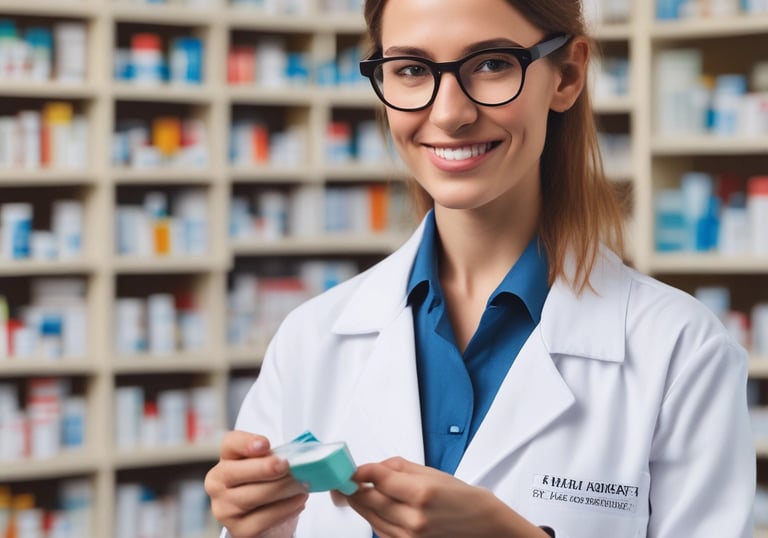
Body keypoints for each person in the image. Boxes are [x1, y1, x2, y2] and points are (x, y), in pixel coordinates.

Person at [204, 0, 756, 536]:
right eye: (412, 69)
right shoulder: (309, 340)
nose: (450, 114)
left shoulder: (681, 350)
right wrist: (262, 532)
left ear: (566, 75)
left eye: (492, 64)